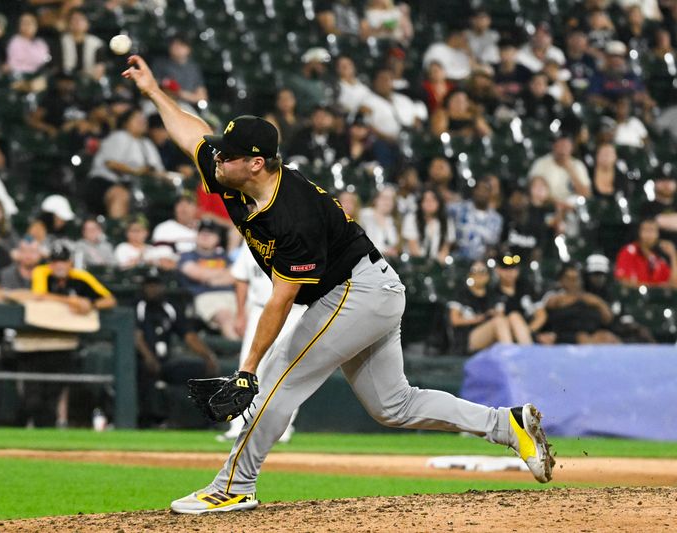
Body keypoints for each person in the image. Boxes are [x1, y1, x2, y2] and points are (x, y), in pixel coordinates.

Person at [122, 53, 554, 514]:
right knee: (394, 405)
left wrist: (246, 368)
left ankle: (233, 485)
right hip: (370, 290)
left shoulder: (293, 216)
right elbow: (193, 135)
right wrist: (153, 92)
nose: (215, 159)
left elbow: (283, 299)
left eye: (226, 155)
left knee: (275, 380)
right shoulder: (235, 175)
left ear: (255, 163)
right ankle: (508, 426)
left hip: (356, 291)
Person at [217, 243, 306, 443]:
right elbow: (241, 278)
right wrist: (241, 313)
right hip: (259, 310)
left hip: (295, 311)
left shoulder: (297, 237)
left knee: (288, 371)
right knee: (247, 368)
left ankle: (281, 428)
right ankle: (238, 425)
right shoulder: (254, 237)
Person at [26, 241, 116, 427]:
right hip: (38, 340)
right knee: (33, 396)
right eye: (55, 261)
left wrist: (91, 304)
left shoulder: (80, 276)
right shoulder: (41, 272)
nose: (59, 265)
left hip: (66, 342)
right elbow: (39, 297)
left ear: (70, 262)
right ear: (50, 263)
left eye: (63, 261)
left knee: (54, 393)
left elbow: (110, 300)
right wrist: (73, 302)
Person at [134, 267, 219, 427]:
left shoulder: (170, 308)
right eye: (149, 285)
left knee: (203, 370)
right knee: (145, 372)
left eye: (156, 285)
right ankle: (150, 421)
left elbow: (189, 336)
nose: (152, 289)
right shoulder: (138, 306)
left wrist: (208, 356)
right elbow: (136, 336)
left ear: (163, 286)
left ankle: (205, 422)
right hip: (140, 362)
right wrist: (148, 357)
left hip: (165, 362)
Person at [87, 109, 166, 218]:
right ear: (125, 122)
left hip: (134, 185)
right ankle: (117, 231)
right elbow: (111, 164)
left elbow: (158, 170)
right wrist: (136, 171)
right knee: (121, 195)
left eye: (143, 119)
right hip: (104, 182)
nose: (141, 121)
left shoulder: (147, 143)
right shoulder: (119, 136)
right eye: (137, 118)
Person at [178, 219, 238, 340]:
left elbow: (236, 276)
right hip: (205, 296)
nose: (205, 236)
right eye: (202, 233)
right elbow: (196, 273)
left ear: (217, 238)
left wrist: (211, 279)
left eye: (210, 233)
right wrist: (224, 273)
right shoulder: (187, 255)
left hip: (232, 296)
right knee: (225, 316)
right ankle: (239, 352)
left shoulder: (224, 256)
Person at [533, 263, 620, 344]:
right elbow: (552, 304)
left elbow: (608, 318)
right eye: (569, 279)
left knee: (608, 338)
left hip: (593, 332)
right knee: (582, 338)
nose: (573, 282)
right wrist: (581, 298)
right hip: (564, 335)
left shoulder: (592, 297)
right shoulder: (553, 294)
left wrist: (598, 302)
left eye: (576, 279)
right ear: (561, 281)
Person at [447, 259, 514, 355]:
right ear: (469, 274)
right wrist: (478, 318)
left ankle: (528, 357)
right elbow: (454, 320)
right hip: (468, 339)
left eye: (482, 271)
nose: (479, 274)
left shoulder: (494, 294)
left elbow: (501, 316)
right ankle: (511, 357)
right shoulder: (461, 294)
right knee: (498, 322)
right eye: (474, 271)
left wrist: (492, 314)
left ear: (488, 274)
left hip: (493, 336)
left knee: (514, 316)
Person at [449, 176, 503, 261]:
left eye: (485, 190)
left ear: (490, 194)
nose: (481, 193)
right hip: (458, 260)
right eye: (479, 189)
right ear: (474, 191)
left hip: (483, 264)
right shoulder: (458, 209)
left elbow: (493, 244)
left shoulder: (496, 219)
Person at [527, 134, 591, 202]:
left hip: (571, 206)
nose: (562, 150)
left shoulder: (578, 165)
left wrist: (571, 171)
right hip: (547, 204)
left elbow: (586, 195)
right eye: (559, 146)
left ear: (572, 149)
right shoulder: (541, 163)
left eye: (566, 147)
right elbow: (531, 190)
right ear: (554, 147)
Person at [614, 218, 677, 288]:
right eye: (646, 230)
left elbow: (674, 285)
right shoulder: (628, 252)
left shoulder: (658, 260)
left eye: (652, 231)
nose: (649, 235)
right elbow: (622, 281)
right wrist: (654, 288)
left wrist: (673, 255)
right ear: (639, 232)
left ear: (658, 235)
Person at [402, 187, 454, 263]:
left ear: (439, 202)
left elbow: (446, 247)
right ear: (421, 203)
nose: (429, 203)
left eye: (433, 200)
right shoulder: (411, 218)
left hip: (437, 265)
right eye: (426, 200)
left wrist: (438, 262)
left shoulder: (446, 221)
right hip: (414, 263)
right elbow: (413, 247)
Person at [640, 163, 677, 246]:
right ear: (655, 183)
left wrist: (661, 220)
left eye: (670, 180)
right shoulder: (647, 206)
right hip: (656, 252)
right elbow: (649, 226)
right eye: (662, 180)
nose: (666, 184)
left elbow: (657, 221)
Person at [358, 186, 400, 257]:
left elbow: (393, 244)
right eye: (385, 198)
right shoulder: (364, 215)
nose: (388, 202)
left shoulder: (391, 220)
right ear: (376, 199)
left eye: (391, 199)